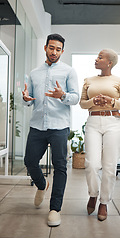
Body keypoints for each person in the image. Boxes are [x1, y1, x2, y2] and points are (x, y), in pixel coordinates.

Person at [22, 33, 79, 227]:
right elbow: (29, 97)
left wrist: (63, 95)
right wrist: (25, 99)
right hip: (37, 125)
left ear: (62, 51)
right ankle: (41, 185)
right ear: (45, 47)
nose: (54, 52)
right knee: (29, 162)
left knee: (60, 167)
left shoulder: (69, 71)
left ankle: (55, 209)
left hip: (59, 127)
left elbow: (76, 97)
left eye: (58, 49)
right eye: (51, 47)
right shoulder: (34, 73)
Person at [79, 49, 120, 221]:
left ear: (109, 62)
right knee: (92, 164)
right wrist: (93, 101)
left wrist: (112, 102)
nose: (96, 59)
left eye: (100, 57)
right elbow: (82, 104)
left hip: (113, 123)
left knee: (109, 168)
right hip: (93, 122)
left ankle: (104, 202)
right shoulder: (88, 81)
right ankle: (93, 194)